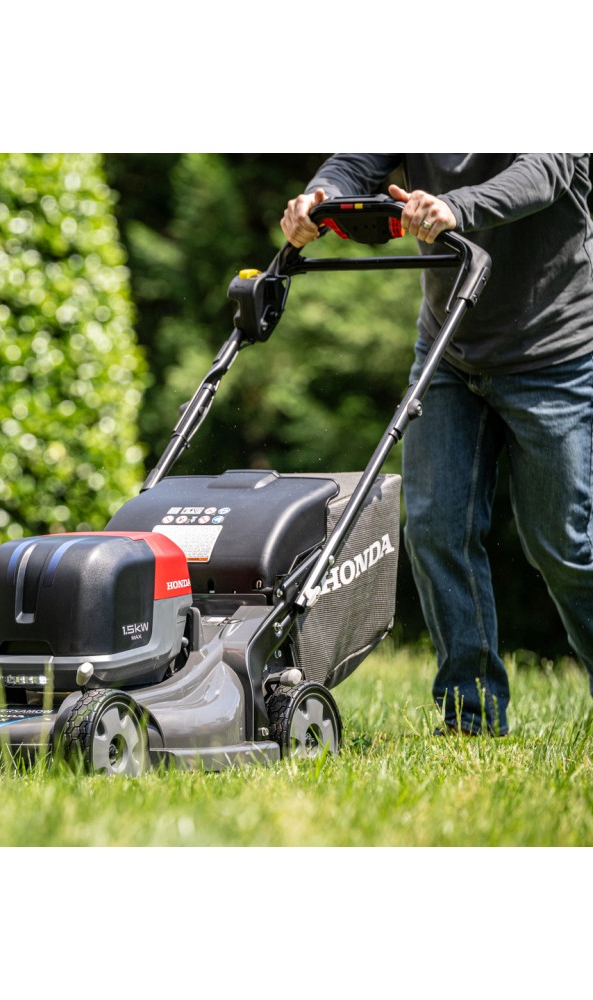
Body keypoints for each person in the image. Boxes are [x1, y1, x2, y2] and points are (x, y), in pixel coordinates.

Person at [281, 154, 593, 736]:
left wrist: (455, 206)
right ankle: (472, 717)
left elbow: (544, 170)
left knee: (563, 547)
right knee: (435, 529)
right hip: (450, 348)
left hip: (554, 352)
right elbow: (359, 160)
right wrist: (319, 197)